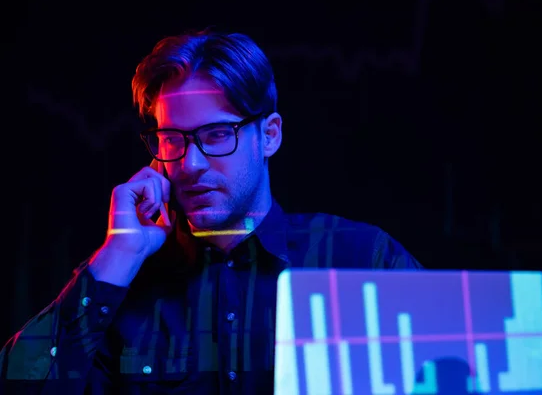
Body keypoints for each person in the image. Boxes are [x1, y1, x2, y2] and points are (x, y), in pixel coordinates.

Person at [1, 28, 423, 394]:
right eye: (171, 139)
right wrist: (118, 255)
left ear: (270, 135)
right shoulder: (121, 287)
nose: (190, 164)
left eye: (217, 134)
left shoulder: (360, 260)